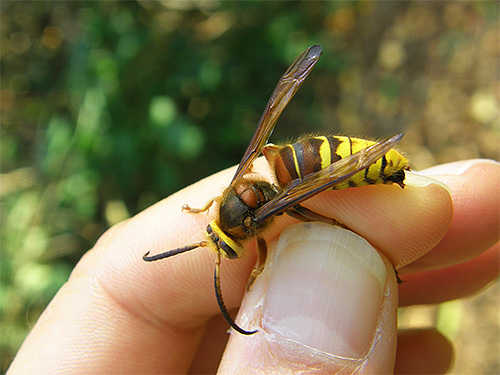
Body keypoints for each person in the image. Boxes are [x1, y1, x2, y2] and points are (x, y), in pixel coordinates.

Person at [7, 158, 499, 374]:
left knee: (323, 214)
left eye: (221, 235)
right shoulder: (242, 190)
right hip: (290, 166)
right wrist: (208, 216)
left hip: (311, 175)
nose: (228, 248)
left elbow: (278, 234)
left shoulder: (259, 221)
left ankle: (382, 168)